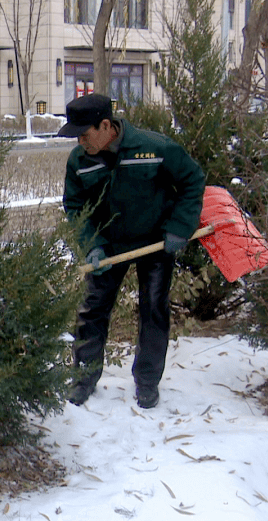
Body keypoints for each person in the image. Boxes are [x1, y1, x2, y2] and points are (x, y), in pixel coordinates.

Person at [57, 93, 205, 409]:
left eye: (85, 133)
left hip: (154, 242)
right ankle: (84, 377)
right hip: (107, 246)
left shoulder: (154, 147)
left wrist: (180, 226)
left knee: (153, 308)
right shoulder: (80, 161)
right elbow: (74, 205)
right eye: (76, 136)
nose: (80, 141)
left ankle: (148, 383)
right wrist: (91, 245)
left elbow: (193, 180)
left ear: (106, 125)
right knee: (93, 309)